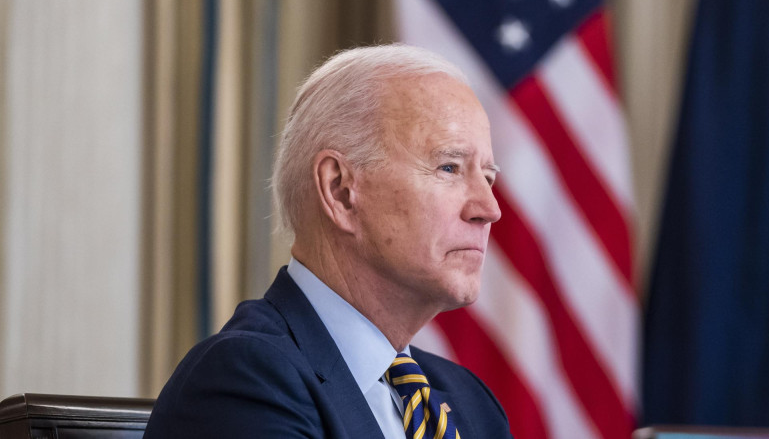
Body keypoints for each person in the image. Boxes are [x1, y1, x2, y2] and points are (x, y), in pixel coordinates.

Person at [145, 44, 512, 438]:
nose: (489, 209)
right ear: (339, 190)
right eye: (449, 167)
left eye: (488, 177)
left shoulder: (471, 404)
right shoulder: (244, 381)